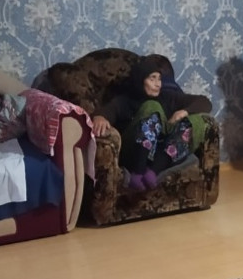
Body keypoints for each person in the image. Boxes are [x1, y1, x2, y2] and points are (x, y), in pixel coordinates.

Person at [91, 55, 212, 191]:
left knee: (196, 121)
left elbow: (204, 102)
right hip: (133, 154)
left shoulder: (166, 97)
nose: (158, 84)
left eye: (159, 79)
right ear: (140, 80)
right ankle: (138, 173)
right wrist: (100, 117)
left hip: (159, 154)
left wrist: (184, 112)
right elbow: (106, 111)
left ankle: (153, 172)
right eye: (152, 78)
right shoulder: (125, 100)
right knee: (152, 106)